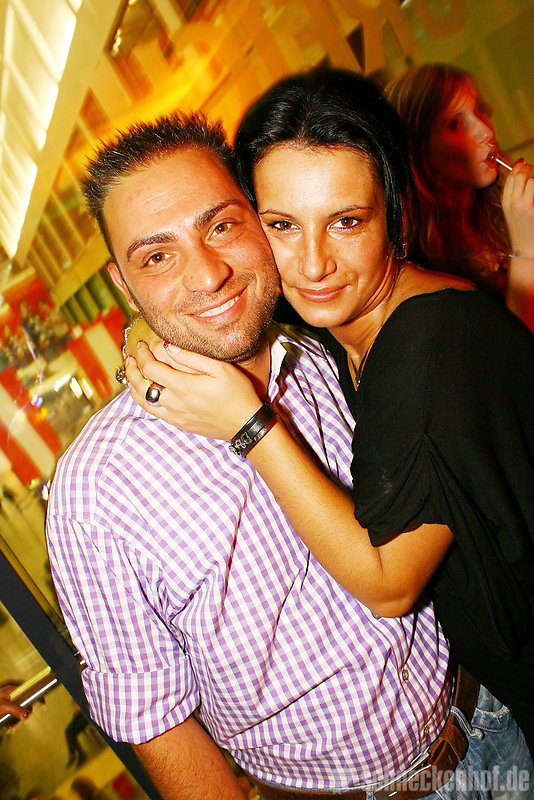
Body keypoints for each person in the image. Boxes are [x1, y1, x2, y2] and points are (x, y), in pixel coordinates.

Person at [44, 110, 531, 800]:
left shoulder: (327, 350)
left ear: (262, 222)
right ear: (123, 285)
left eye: (221, 227)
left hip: (493, 718)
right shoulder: (99, 490)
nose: (208, 274)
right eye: (157, 257)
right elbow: (158, 725)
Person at [387, 62, 534, 328]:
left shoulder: (498, 212)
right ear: (418, 152)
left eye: (480, 110)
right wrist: (526, 248)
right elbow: (512, 350)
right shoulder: (423, 271)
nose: (486, 132)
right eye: (456, 124)